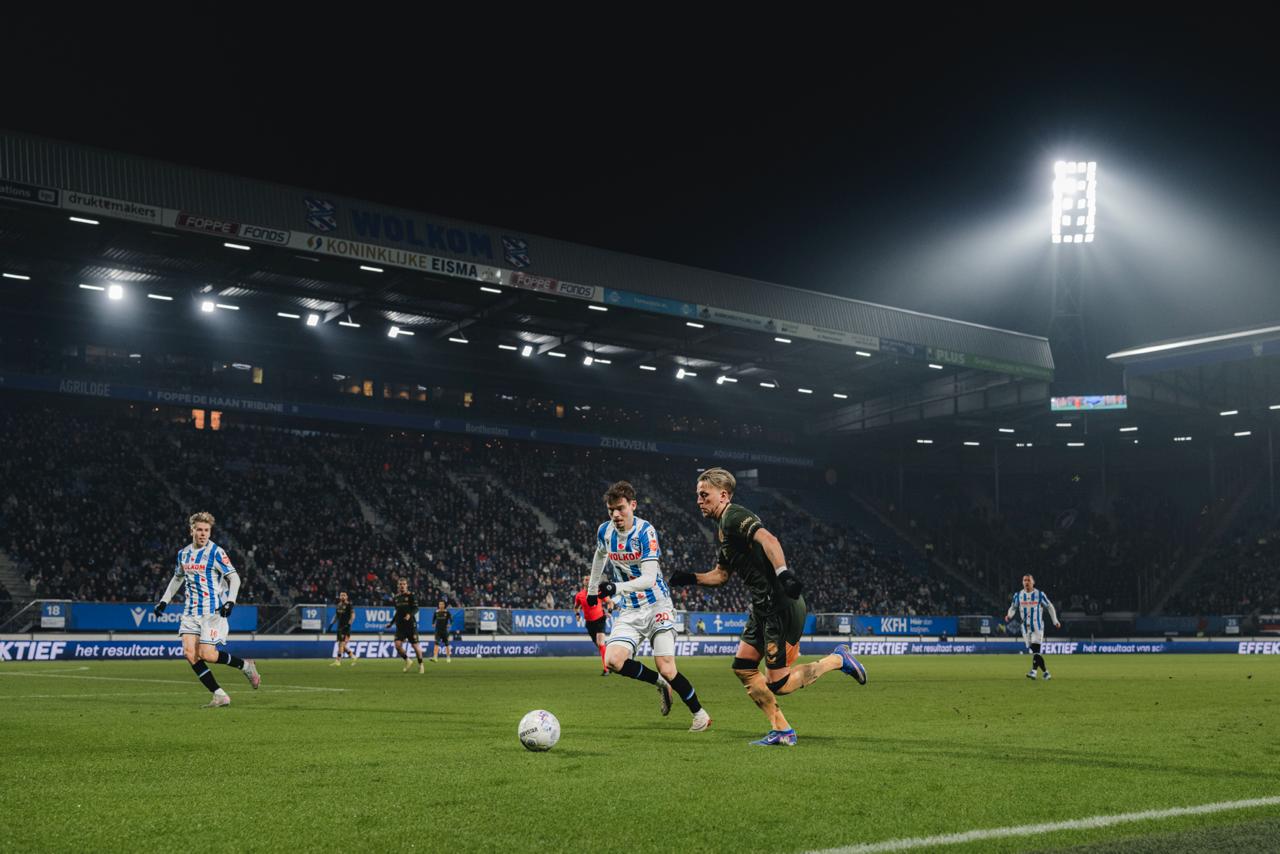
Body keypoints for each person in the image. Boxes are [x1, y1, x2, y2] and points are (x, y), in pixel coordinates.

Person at [669, 468, 865, 746]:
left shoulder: (735, 516)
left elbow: (768, 539)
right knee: (744, 667)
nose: (699, 501)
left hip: (779, 606)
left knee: (779, 684)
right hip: (762, 608)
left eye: (704, 495)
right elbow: (721, 575)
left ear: (723, 495)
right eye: (697, 496)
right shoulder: (724, 529)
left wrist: (783, 574)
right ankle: (782, 730)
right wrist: (690, 578)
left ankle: (837, 660)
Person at [588, 481, 711, 732]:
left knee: (666, 666)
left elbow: (649, 578)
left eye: (621, 508)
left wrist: (615, 588)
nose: (615, 515)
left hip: (657, 605)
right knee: (613, 660)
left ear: (632, 505)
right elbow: (599, 556)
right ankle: (659, 684)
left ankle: (700, 714)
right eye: (611, 510)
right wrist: (592, 592)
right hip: (630, 610)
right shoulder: (605, 531)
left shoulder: (646, 531)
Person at [153, 511, 260, 707]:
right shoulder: (183, 554)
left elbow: (234, 577)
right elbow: (177, 578)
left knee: (207, 655)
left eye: (207, 530)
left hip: (212, 613)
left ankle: (245, 665)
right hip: (190, 612)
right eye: (199, 530)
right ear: (191, 531)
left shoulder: (216, 552)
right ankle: (219, 695)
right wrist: (164, 601)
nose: (203, 534)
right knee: (189, 653)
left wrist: (230, 601)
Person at [1006, 574, 1061, 680]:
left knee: (1036, 649)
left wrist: (1055, 621)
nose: (1026, 582)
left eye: (1029, 580)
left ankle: (1034, 672)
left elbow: (1049, 606)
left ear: (1033, 582)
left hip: (1037, 626)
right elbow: (1013, 607)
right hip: (1025, 628)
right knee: (1034, 651)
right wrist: (1009, 615)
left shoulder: (1039, 594)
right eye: (1024, 580)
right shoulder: (1018, 595)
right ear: (1022, 582)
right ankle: (1046, 672)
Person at [573, 575, 610, 675]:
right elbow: (576, 607)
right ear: (583, 582)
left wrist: (609, 611)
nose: (587, 581)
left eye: (589, 579)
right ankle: (609, 660)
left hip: (600, 619)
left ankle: (606, 669)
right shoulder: (579, 595)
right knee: (599, 645)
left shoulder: (598, 592)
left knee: (601, 643)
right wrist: (577, 614)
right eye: (586, 579)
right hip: (589, 623)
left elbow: (610, 602)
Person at [386, 578, 424, 673]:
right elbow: (397, 613)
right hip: (400, 626)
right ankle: (408, 660)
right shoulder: (396, 598)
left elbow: (416, 608)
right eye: (400, 584)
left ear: (407, 585)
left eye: (404, 584)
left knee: (415, 647)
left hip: (411, 625)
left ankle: (421, 664)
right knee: (397, 645)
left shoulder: (411, 596)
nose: (402, 585)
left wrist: (409, 615)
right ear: (398, 586)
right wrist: (391, 623)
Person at [329, 591, 357, 666]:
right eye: (341, 595)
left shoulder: (349, 605)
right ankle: (352, 656)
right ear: (339, 597)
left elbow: (353, 615)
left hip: (346, 627)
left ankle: (338, 661)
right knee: (341, 645)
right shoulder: (338, 605)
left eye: (344, 595)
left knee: (341, 644)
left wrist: (349, 624)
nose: (343, 597)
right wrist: (331, 624)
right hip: (339, 627)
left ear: (347, 597)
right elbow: (336, 616)